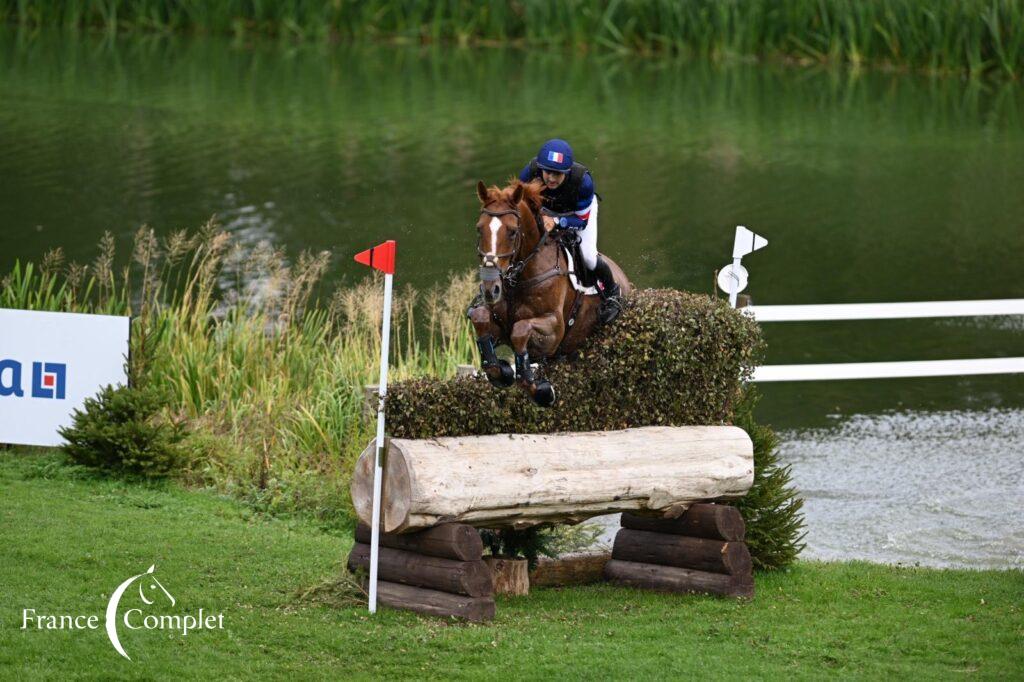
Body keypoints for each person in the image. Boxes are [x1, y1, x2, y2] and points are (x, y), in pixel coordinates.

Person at [518, 138, 622, 324]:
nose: (551, 178)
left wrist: (558, 221)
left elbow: (581, 222)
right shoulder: (529, 173)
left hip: (576, 213)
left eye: (557, 174)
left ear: (567, 172)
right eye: (548, 172)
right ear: (540, 167)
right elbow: (518, 206)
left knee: (588, 256)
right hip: (545, 211)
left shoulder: (583, 182)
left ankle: (613, 293)